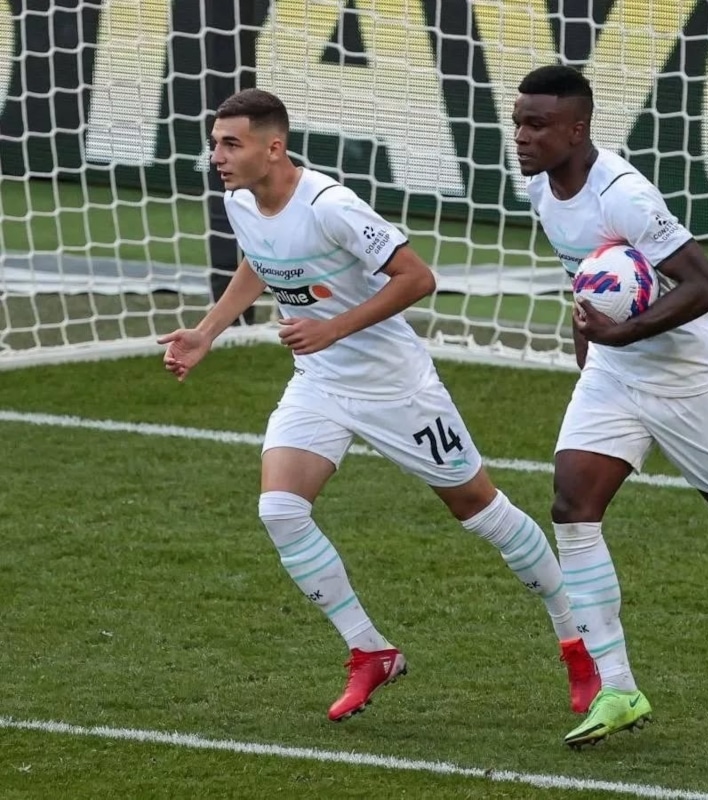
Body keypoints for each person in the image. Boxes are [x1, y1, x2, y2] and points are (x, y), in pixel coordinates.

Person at [158, 88, 599, 723]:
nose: (217, 156)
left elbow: (418, 277)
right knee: (280, 510)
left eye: (231, 143)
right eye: (214, 144)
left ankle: (578, 642)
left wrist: (333, 328)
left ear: (273, 147)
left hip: (396, 388)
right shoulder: (240, 201)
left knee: (480, 511)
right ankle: (371, 651)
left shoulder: (330, 206)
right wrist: (207, 332)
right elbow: (259, 257)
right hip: (319, 382)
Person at [514, 64, 708, 748]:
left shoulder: (624, 197)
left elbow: (707, 285)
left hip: (688, 379)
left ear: (577, 129)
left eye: (537, 124)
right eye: (518, 122)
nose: (521, 136)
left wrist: (622, 334)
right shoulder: (540, 189)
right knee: (572, 506)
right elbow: (583, 282)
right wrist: (594, 355)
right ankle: (618, 688)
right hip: (614, 375)